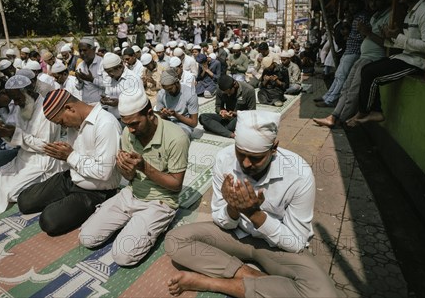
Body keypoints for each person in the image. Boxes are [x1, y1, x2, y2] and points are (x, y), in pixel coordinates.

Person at [165, 110, 337, 298]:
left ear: (274, 149)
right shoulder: (225, 159)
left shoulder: (298, 174)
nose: (246, 164)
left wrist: (255, 215)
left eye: (256, 158)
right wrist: (233, 209)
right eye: (241, 154)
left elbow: (296, 242)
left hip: (274, 246)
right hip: (236, 235)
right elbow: (221, 220)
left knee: (325, 294)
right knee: (175, 241)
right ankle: (252, 277)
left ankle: (212, 283)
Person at [78, 87, 189, 266]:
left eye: (135, 124)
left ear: (150, 114)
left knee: (123, 256)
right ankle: (134, 223)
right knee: (87, 238)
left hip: (159, 201)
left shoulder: (177, 138)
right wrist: (125, 169)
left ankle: (159, 221)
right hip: (131, 193)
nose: (130, 129)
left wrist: (144, 167)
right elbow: (129, 177)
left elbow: (176, 185)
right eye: (126, 124)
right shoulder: (128, 134)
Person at [17, 89, 121, 236]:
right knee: (24, 201)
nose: (64, 127)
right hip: (72, 178)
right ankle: (66, 200)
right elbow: (74, 157)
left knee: (48, 221)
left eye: (62, 122)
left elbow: (104, 173)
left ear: (70, 108)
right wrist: (61, 154)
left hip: (96, 191)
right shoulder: (75, 123)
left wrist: (69, 156)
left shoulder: (106, 124)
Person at [348, 0, 425, 126]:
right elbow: (405, 42)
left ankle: (369, 112)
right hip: (406, 57)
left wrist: (398, 37)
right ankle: (368, 111)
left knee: (371, 73)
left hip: (417, 62)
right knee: (367, 70)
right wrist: (390, 38)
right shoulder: (411, 12)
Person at [0, 75, 62, 213]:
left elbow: (46, 146)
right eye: (14, 100)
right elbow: (17, 140)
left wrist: (14, 133)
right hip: (23, 157)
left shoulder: (47, 109)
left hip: (43, 161)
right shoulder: (22, 106)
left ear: (29, 92)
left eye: (17, 99)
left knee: (12, 193)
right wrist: (3, 132)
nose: (15, 104)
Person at [313, 0, 391, 128]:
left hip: (372, 58)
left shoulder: (388, 16)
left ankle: (340, 119)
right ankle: (334, 116)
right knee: (346, 87)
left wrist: (366, 33)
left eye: (377, 0)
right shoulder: (374, 17)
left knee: (353, 89)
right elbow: (365, 35)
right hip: (362, 55)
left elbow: (388, 43)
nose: (373, 3)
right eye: (371, 0)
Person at [315, 0, 370, 107]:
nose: (351, 8)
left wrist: (348, 36)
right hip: (349, 50)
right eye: (350, 6)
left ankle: (331, 100)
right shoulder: (356, 17)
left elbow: (364, 36)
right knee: (339, 75)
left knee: (341, 76)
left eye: (354, 6)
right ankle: (327, 97)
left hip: (355, 50)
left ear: (360, 5)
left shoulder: (362, 18)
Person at [155, 70, 199, 139]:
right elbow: (159, 117)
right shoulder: (162, 93)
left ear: (177, 83)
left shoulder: (190, 94)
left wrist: (175, 115)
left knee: (179, 138)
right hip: (167, 123)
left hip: (184, 125)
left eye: (170, 89)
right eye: (166, 90)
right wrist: (164, 114)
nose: (168, 92)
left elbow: (194, 123)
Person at [100, 52, 144, 120]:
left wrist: (119, 102)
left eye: (110, 71)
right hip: (113, 119)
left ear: (120, 67)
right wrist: (106, 100)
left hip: (130, 121)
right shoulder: (111, 79)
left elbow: (140, 102)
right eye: (107, 72)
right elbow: (109, 95)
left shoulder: (134, 79)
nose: (109, 74)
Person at [74, 37, 105, 105]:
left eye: (85, 50)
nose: (82, 53)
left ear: (93, 49)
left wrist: (92, 80)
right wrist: (80, 81)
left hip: (101, 105)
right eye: (80, 51)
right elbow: (78, 87)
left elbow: (108, 85)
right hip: (86, 105)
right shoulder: (80, 66)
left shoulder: (103, 63)